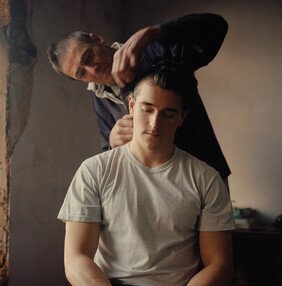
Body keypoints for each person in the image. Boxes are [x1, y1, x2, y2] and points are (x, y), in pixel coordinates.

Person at [57, 63, 237, 286]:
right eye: (147, 109)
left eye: (168, 113)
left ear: (182, 117)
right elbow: (76, 259)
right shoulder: (94, 171)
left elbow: (220, 265)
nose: (155, 123)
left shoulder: (205, 178)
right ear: (131, 105)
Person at [47, 13, 231, 184]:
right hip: (158, 188)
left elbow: (217, 27)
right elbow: (111, 153)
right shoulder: (99, 98)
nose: (92, 70)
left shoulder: (153, 49)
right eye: (81, 73)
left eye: (88, 56)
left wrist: (152, 33)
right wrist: (112, 143)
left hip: (205, 173)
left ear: (98, 40)